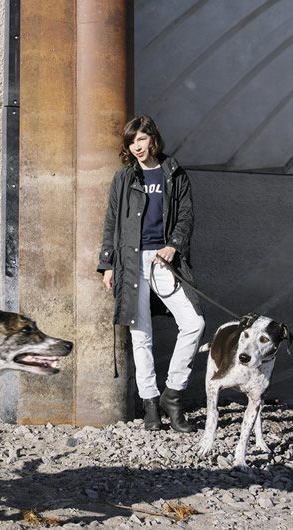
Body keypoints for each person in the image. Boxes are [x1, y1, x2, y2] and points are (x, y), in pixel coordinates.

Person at [97, 115, 205, 433]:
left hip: (163, 261)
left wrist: (173, 245)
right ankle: (150, 405)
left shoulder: (174, 173)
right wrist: (107, 264)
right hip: (130, 262)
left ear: (153, 138)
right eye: (131, 142)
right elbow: (111, 220)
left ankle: (173, 394)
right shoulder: (124, 178)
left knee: (194, 323)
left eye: (141, 139)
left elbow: (186, 215)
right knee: (140, 335)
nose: (136, 147)